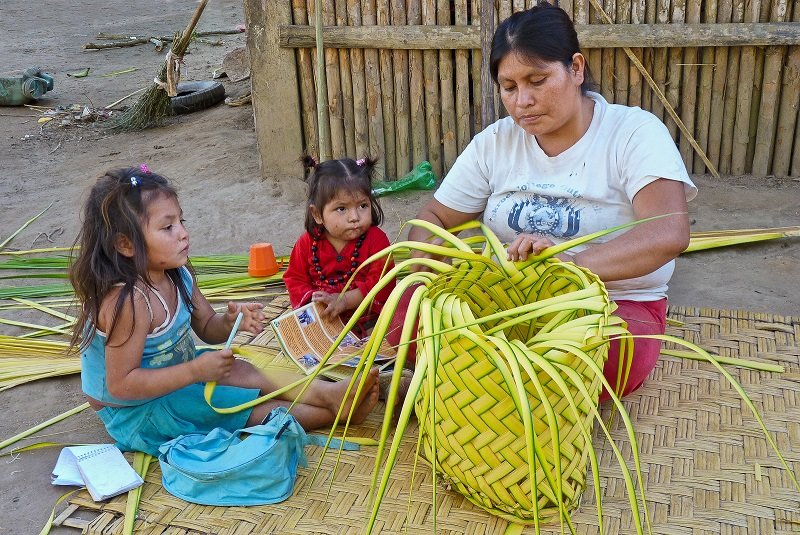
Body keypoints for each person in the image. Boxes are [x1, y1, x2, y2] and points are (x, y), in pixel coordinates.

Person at [408, 2, 698, 400]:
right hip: (502, 298)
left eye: (537, 80)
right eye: (509, 88)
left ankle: (476, 385)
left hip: (608, 304)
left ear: (576, 69)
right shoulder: (495, 143)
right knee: (406, 320)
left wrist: (568, 265)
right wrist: (429, 253)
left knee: (597, 361)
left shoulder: (633, 133)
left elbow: (668, 232)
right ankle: (499, 383)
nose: (522, 101)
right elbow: (435, 215)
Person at [69, 166, 379, 457]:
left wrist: (230, 321)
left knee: (240, 370)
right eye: (167, 227)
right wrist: (194, 372)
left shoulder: (176, 273)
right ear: (126, 245)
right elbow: (121, 384)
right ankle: (334, 412)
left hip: (178, 377)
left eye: (181, 222)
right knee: (234, 408)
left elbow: (206, 325)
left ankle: (327, 394)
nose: (182, 233)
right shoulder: (129, 302)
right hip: (135, 410)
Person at [283, 156, 396, 333]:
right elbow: (295, 278)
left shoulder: (377, 241)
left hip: (366, 320)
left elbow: (382, 284)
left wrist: (344, 301)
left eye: (363, 206)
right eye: (341, 209)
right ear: (317, 214)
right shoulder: (307, 243)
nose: (355, 217)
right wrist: (315, 302)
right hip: (323, 318)